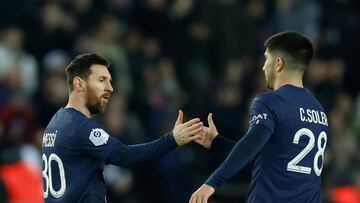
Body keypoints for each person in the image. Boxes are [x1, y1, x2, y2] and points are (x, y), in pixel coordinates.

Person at [41, 53, 203, 203]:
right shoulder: (79, 125)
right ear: (79, 84)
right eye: (101, 80)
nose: (109, 88)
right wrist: (172, 139)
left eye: (109, 81)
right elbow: (124, 155)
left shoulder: (56, 122)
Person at [190, 31, 329, 203]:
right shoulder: (318, 110)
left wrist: (212, 182)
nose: (263, 67)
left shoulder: (270, 101)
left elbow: (252, 142)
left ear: (278, 63)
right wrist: (217, 142)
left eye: (266, 59)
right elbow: (267, 158)